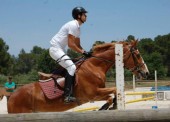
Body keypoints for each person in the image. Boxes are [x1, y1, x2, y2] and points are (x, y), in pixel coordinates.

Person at [49, 6, 91, 103]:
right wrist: (83, 52)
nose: (86, 16)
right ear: (79, 16)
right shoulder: (73, 25)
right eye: (84, 14)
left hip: (59, 50)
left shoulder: (78, 28)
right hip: (55, 49)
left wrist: (86, 52)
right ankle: (67, 96)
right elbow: (71, 45)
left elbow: (77, 45)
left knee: (74, 65)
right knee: (72, 67)